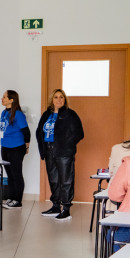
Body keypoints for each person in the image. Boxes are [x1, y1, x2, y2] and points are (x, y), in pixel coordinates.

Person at [35, 89, 84, 221]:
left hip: (64, 153)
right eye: (56, 97)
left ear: (64, 99)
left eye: (61, 97)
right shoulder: (46, 114)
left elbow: (79, 133)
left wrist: (67, 143)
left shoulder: (70, 114)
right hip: (49, 151)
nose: (58, 100)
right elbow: (39, 131)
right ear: (52, 100)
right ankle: (56, 206)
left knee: (66, 181)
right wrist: (42, 148)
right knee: (54, 180)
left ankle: (66, 209)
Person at [0, 90, 30, 208]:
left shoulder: (18, 114)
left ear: (11, 100)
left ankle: (18, 200)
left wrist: (26, 146)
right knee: (9, 174)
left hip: (16, 147)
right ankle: (11, 198)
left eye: (4, 97)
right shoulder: (3, 112)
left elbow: (26, 131)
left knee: (16, 174)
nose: (2, 98)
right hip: (5, 146)